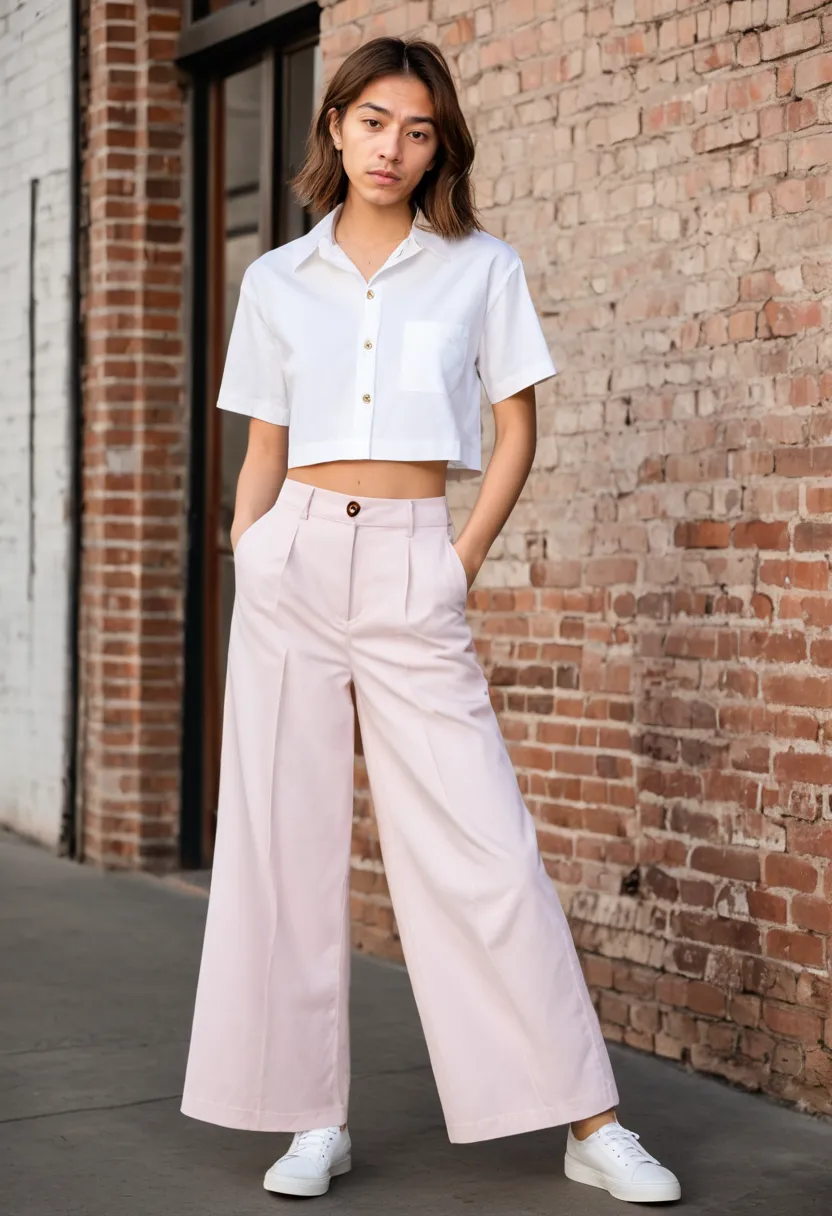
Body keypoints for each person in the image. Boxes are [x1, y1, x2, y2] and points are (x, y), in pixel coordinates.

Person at [180, 35, 681, 1207]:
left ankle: (587, 1119)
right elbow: (261, 441)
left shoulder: (480, 267)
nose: (389, 147)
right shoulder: (277, 281)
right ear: (336, 127)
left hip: (413, 562)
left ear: (438, 142)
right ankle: (311, 1120)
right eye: (369, 121)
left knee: (484, 847)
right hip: (292, 560)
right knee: (280, 843)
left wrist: (455, 562)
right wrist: (248, 553)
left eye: (415, 128)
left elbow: (515, 431)